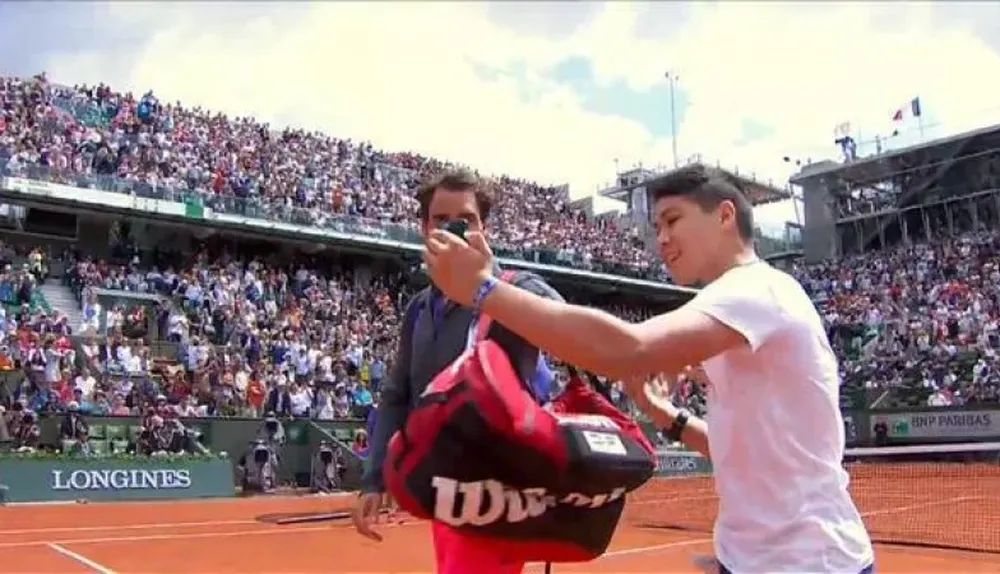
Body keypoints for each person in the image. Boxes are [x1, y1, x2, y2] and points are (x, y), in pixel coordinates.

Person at [422, 164, 874, 573]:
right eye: (656, 226)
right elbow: (741, 451)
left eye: (673, 220)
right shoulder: (742, 307)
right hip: (750, 560)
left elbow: (629, 348)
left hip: (809, 563)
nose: (660, 238)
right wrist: (665, 416)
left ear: (725, 215)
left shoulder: (757, 291)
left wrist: (485, 291)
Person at [352, 169, 564, 574]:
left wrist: (489, 286)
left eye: (465, 220)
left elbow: (570, 326)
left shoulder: (518, 287)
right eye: (440, 219)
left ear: (484, 228)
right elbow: (398, 393)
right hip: (446, 486)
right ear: (423, 228)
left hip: (500, 491)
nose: (452, 228)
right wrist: (375, 479)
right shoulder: (418, 307)